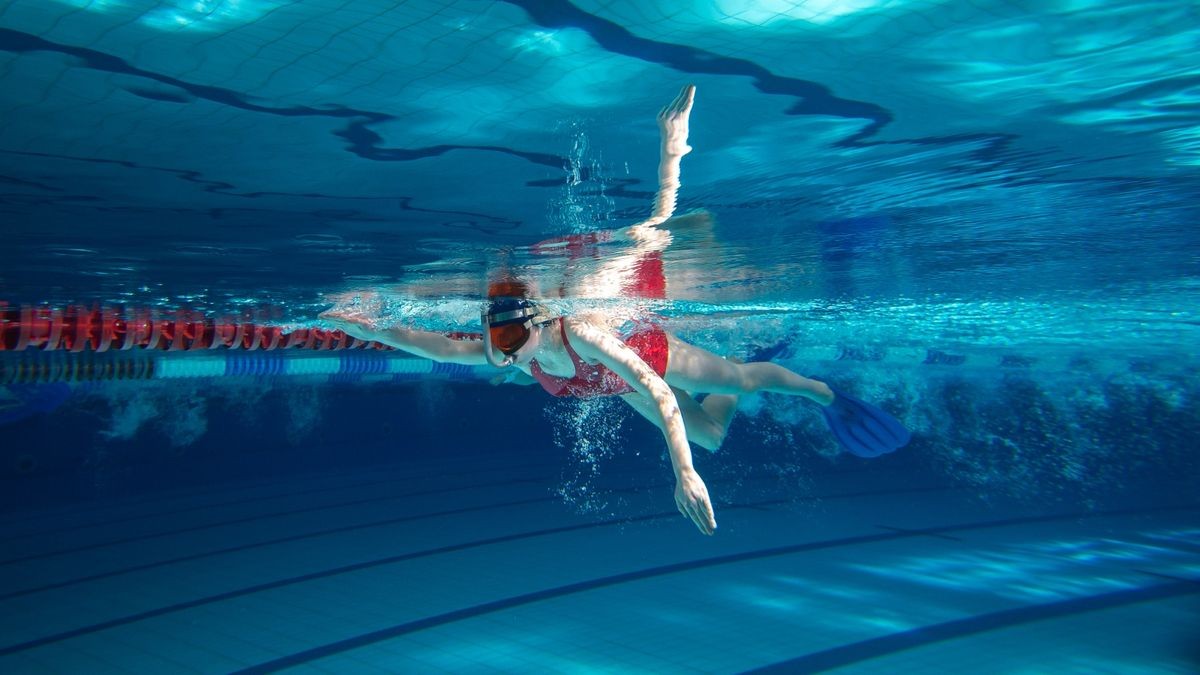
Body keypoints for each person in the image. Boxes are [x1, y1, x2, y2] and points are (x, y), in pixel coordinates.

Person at [322, 85, 909, 535]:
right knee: (710, 439)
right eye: (491, 334)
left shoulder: (579, 331)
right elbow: (436, 345)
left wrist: (671, 151)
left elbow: (652, 247)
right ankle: (739, 377)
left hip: (643, 361)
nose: (495, 349)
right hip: (612, 386)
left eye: (502, 338)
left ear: (533, 322)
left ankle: (822, 394)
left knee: (741, 380)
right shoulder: (514, 347)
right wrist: (365, 326)